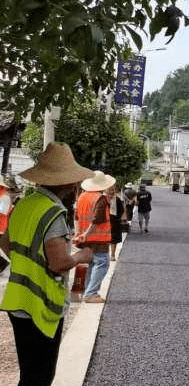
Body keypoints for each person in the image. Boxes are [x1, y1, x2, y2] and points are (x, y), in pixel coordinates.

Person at [0, 142, 94, 386]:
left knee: (29, 375)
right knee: (40, 377)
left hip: (18, 300)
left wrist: (28, 263)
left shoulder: (24, 204)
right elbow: (59, 263)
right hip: (41, 305)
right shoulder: (53, 212)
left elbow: (5, 242)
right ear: (67, 183)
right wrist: (82, 256)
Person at [74, 170, 115, 303]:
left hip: (85, 239)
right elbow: (97, 219)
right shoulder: (100, 199)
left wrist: (78, 234)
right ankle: (91, 293)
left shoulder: (81, 197)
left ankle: (88, 291)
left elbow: (76, 217)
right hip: (98, 239)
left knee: (93, 264)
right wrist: (86, 234)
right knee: (102, 263)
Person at [107, 185, 125, 261]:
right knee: (105, 239)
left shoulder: (117, 199)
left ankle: (112, 255)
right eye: (110, 190)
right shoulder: (103, 199)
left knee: (114, 240)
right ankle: (106, 254)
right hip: (105, 222)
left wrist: (119, 218)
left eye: (112, 190)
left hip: (115, 222)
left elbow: (121, 210)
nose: (111, 192)